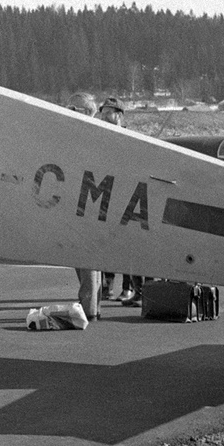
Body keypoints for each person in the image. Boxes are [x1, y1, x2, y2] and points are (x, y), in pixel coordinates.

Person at [95, 98, 143, 305]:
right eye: (103, 112)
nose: (105, 115)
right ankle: (107, 285)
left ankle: (129, 287)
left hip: (126, 194)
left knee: (127, 243)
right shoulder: (100, 136)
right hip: (106, 192)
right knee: (106, 240)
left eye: (109, 112)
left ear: (119, 115)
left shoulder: (130, 137)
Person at [68, 95, 103, 320]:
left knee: (85, 254)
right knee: (87, 256)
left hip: (88, 198)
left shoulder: (88, 133)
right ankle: (92, 304)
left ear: (84, 111)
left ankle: (88, 306)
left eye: (72, 107)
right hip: (86, 196)